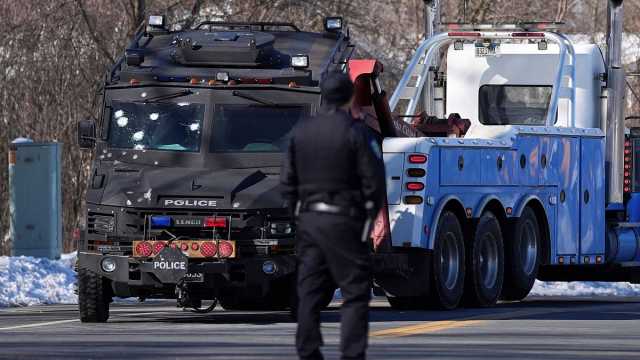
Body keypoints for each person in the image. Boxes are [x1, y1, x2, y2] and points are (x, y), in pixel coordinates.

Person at [280, 71, 386, 360]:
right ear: (350, 97)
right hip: (345, 220)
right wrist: (368, 219)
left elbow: (287, 181)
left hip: (310, 221)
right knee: (354, 293)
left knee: (309, 291)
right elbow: (374, 180)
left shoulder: (299, 132)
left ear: (322, 97)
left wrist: (297, 216)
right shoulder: (357, 132)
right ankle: (351, 354)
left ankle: (308, 352)